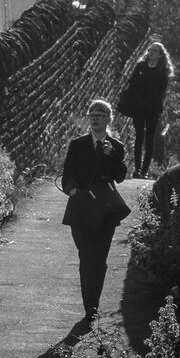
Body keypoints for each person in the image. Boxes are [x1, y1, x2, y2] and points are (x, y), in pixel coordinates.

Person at [61, 99, 127, 323]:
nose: (96, 118)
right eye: (92, 114)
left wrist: (112, 155)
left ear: (109, 119)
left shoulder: (116, 146)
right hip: (81, 209)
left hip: (105, 211)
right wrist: (71, 191)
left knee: (99, 259)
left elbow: (120, 176)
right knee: (86, 256)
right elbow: (67, 174)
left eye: (100, 114)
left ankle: (93, 305)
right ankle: (89, 304)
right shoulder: (77, 145)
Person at [126, 40, 174, 178]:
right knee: (139, 135)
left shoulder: (162, 71)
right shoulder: (140, 66)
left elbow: (160, 92)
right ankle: (137, 169)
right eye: (150, 50)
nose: (151, 53)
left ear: (160, 55)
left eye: (154, 51)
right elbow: (132, 83)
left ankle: (145, 170)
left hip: (152, 108)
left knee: (150, 138)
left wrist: (150, 100)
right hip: (138, 107)